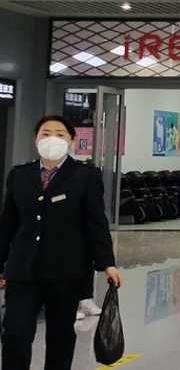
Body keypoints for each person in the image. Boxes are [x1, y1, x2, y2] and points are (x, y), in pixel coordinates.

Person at [0, 115, 122, 370]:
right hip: (23, 271)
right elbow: (8, 223)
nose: (52, 138)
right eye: (45, 134)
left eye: (60, 134)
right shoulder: (19, 175)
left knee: (60, 338)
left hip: (66, 272)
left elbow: (96, 223)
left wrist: (107, 263)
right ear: (35, 139)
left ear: (72, 141)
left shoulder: (85, 176)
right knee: (14, 335)